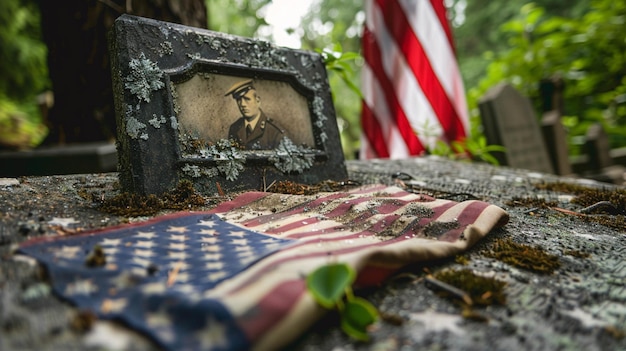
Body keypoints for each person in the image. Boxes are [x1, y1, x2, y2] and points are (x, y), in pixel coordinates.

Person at [225, 79, 285, 149]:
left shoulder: (274, 131)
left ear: (258, 101)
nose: (242, 104)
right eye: (239, 100)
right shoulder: (234, 128)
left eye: (247, 99)